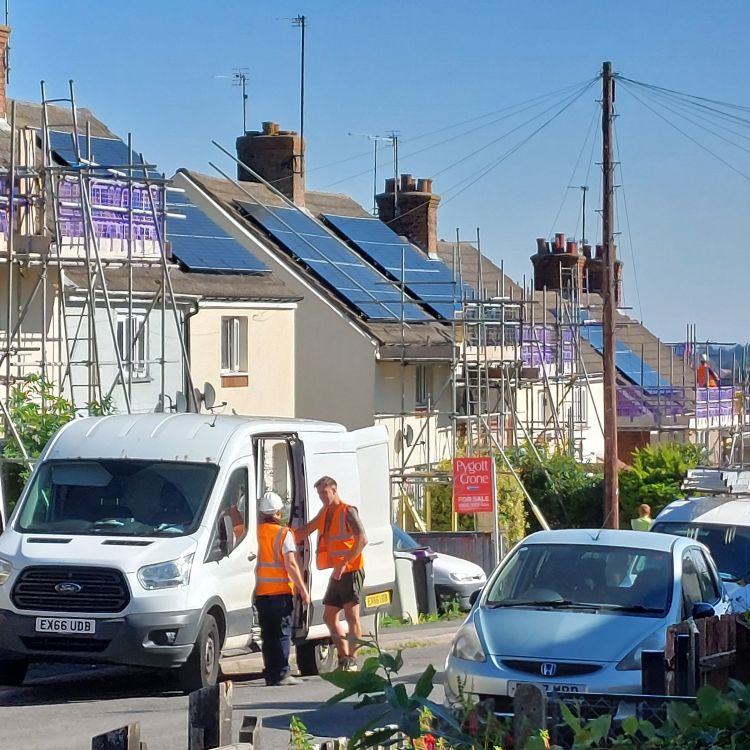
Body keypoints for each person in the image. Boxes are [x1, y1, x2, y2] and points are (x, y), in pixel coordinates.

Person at [295, 475, 367, 672]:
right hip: (337, 571)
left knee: (352, 617)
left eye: (325, 493)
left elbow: (362, 539)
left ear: (334, 491)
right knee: (329, 616)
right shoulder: (325, 513)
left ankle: (352, 659)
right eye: (319, 494)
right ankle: (344, 657)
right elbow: (306, 530)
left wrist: (345, 562)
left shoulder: (348, 511)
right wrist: (281, 537)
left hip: (351, 570)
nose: (322, 497)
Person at [255, 490, 310, 686]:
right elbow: (291, 564)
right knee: (282, 635)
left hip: (261, 593)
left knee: (267, 635)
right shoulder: (284, 534)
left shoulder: (255, 532)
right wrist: (302, 589)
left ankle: (271, 672)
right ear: (278, 512)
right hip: (280, 593)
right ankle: (282, 673)